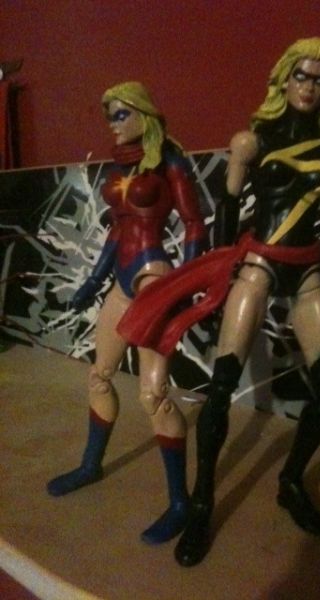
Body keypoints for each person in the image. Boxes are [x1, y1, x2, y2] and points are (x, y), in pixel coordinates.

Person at [118, 37, 320, 566]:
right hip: (257, 265)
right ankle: (202, 503)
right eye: (301, 76)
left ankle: (290, 480)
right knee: (222, 388)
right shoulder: (250, 142)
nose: (309, 87)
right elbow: (226, 211)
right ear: (284, 80)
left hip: (306, 271)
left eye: (319, 80)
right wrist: (218, 279)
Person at [47, 81, 208, 546]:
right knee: (100, 375)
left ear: (142, 113)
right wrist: (93, 281)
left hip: (152, 278)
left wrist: (187, 282)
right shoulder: (122, 166)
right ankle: (90, 465)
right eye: (109, 116)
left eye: (120, 114)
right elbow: (118, 231)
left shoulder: (169, 160)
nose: (112, 124)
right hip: (122, 277)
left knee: (153, 395)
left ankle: (180, 503)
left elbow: (193, 222)